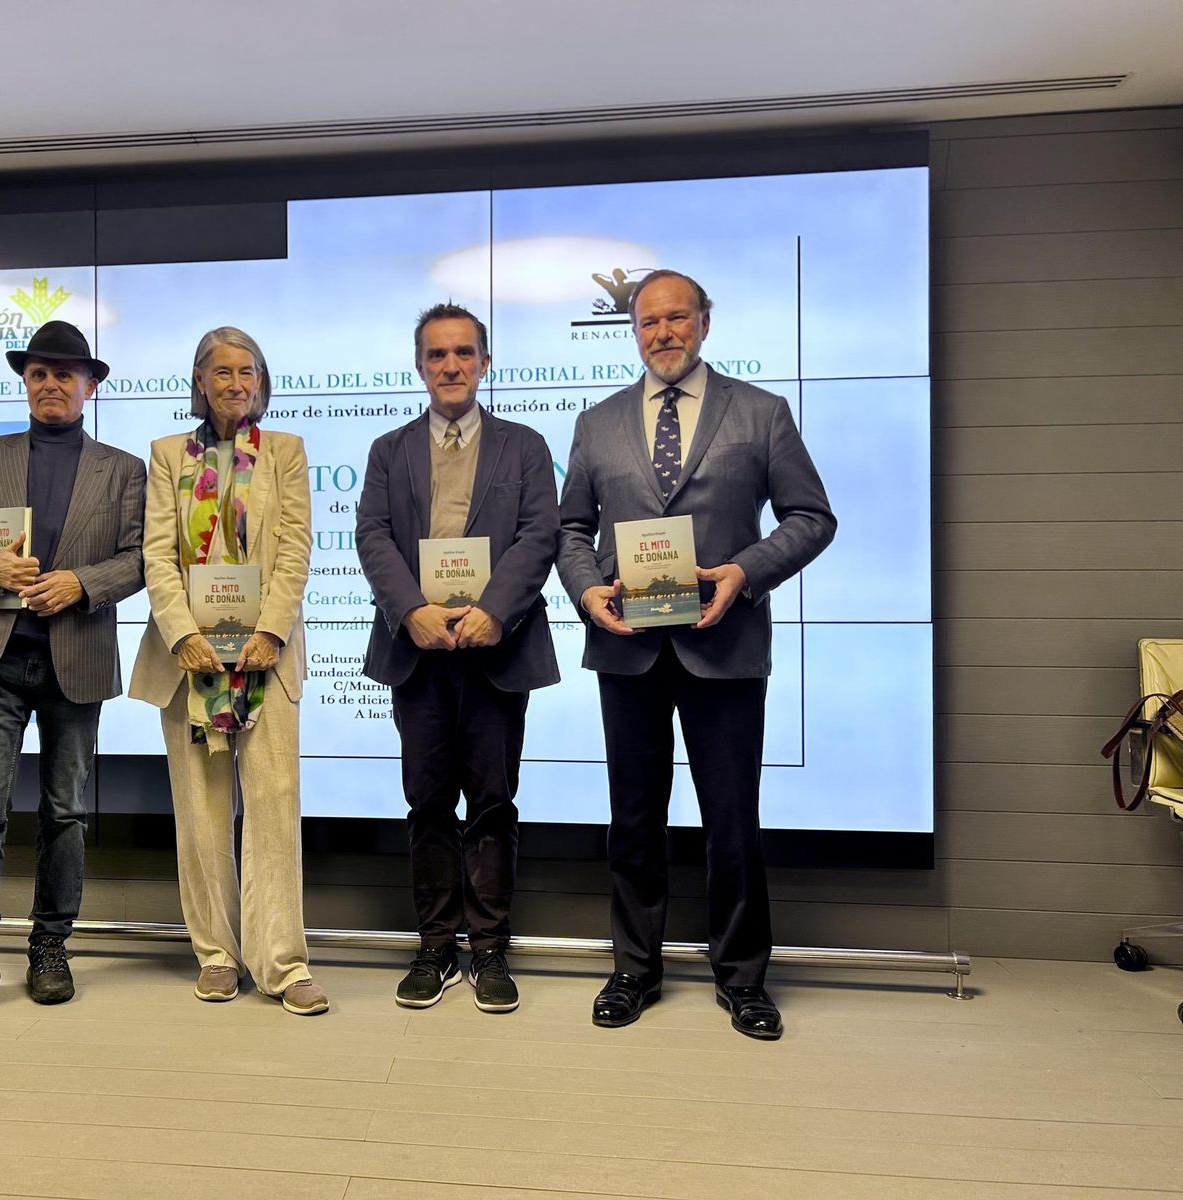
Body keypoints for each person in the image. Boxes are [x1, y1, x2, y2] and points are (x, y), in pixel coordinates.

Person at [557, 270, 836, 1039]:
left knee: (732, 822)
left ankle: (743, 979)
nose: (663, 333)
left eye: (677, 318)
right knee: (634, 819)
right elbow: (570, 530)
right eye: (649, 322)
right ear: (634, 332)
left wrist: (744, 571)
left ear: (705, 323)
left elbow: (812, 517)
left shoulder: (762, 413)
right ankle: (633, 970)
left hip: (727, 643)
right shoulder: (597, 422)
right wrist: (587, 594)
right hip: (629, 649)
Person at [0, 319, 147, 1022]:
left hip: (75, 659)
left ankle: (50, 946)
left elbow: (143, 559)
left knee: (66, 815)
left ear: (91, 385)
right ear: (25, 382)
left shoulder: (123, 469)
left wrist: (82, 582)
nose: (50, 384)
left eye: (65, 373)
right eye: (38, 373)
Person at [356, 303, 560, 1014]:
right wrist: (410, 610)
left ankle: (490, 948)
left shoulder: (525, 446)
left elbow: (540, 535)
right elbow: (373, 535)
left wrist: (493, 611)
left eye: (464, 354)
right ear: (420, 366)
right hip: (418, 651)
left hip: (496, 650)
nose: (451, 366)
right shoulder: (389, 450)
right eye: (437, 355)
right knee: (427, 801)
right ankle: (435, 947)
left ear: (484, 362)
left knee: (495, 804)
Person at [128, 326, 326, 1016]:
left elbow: (296, 547)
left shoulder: (287, 453)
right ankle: (216, 955)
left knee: (272, 810)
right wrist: (181, 635)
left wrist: (272, 629)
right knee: (202, 814)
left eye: (247, 371)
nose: (235, 382)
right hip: (190, 663)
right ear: (200, 382)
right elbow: (156, 555)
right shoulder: (164, 456)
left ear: (262, 382)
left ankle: (283, 962)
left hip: (268, 660)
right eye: (221, 372)